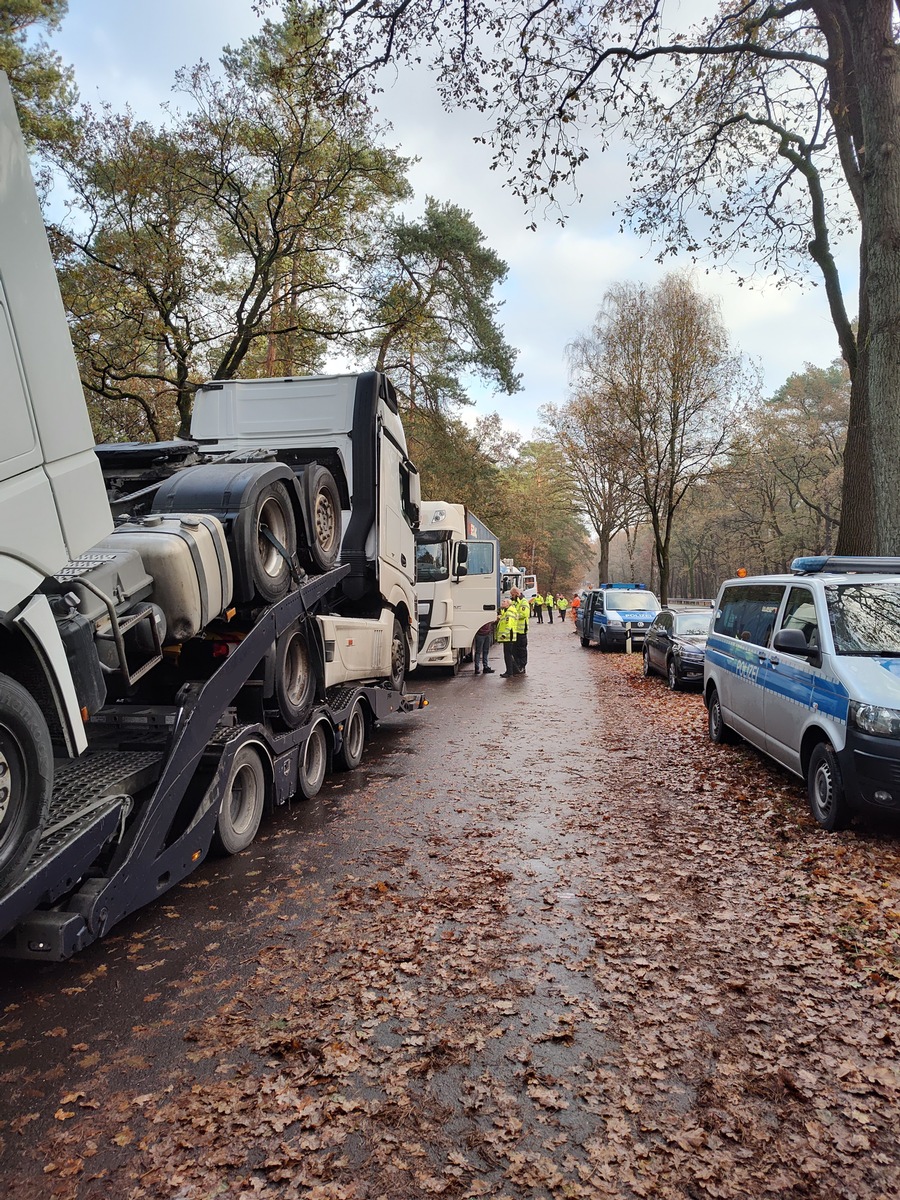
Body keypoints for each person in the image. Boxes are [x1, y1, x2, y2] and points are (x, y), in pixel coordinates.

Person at [496, 598, 520, 676]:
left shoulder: (509, 612)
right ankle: (513, 670)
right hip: (508, 637)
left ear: (508, 604)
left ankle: (509, 672)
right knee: (508, 654)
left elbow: (509, 625)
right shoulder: (506, 612)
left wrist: (504, 635)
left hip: (508, 637)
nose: (502, 602)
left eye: (504, 602)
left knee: (508, 655)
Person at [509, 586, 529, 674]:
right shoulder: (515, 601)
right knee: (515, 650)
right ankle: (517, 666)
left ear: (517, 594)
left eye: (512, 595)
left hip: (521, 631)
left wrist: (513, 616)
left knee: (522, 650)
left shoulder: (523, 602)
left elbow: (523, 614)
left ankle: (522, 666)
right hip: (515, 630)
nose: (511, 597)